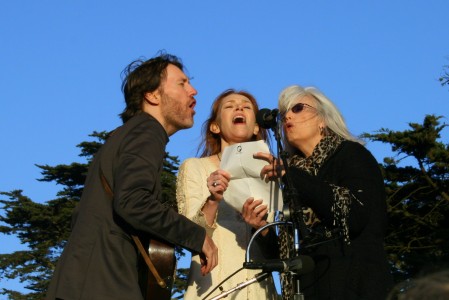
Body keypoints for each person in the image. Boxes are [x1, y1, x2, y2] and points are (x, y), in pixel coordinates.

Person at [46, 53, 218, 300]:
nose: (194, 90)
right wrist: (197, 236)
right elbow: (133, 201)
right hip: (102, 285)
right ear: (152, 95)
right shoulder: (147, 131)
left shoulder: (129, 133)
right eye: (182, 83)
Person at [257, 85, 393, 299]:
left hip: (355, 285)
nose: (287, 117)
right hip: (309, 287)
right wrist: (262, 228)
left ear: (323, 119)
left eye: (298, 108)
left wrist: (291, 176)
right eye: (284, 114)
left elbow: (353, 215)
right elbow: (288, 251)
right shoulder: (291, 174)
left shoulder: (352, 155)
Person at [176, 89, 279, 299]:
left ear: (257, 126)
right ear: (215, 126)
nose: (239, 107)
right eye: (230, 105)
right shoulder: (195, 167)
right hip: (213, 287)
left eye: (246, 106)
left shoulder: (271, 173)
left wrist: (261, 228)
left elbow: (278, 253)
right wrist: (213, 200)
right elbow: (190, 235)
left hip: (260, 291)